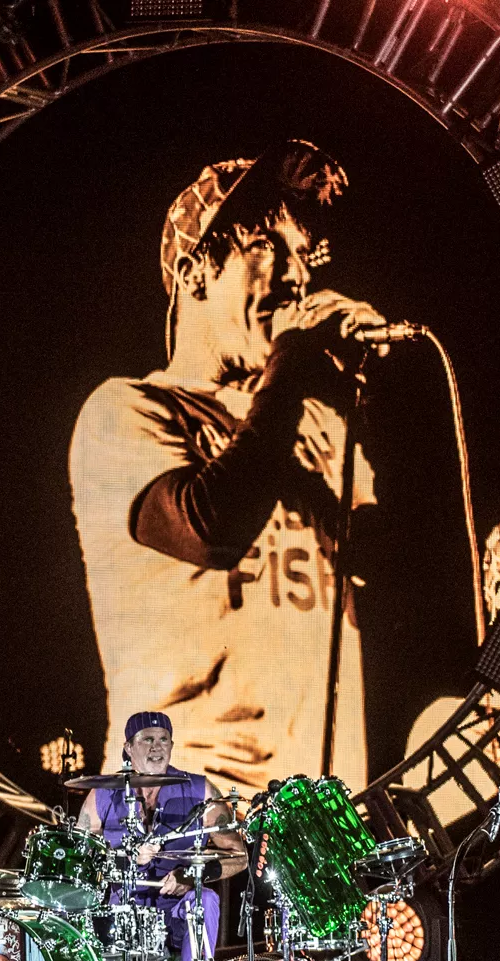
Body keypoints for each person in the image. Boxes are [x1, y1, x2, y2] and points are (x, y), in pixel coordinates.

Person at [69, 140, 390, 790]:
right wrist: (292, 361)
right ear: (195, 274)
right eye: (268, 248)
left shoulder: (312, 423)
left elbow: (383, 583)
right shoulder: (127, 410)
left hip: (319, 820)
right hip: (180, 807)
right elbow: (209, 527)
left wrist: (360, 393)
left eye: (302, 255)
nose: (297, 278)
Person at [76, 709, 246, 961]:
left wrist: (189, 876)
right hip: (124, 911)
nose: (157, 747)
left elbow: (238, 856)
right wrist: (127, 859)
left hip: (177, 912)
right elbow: (80, 857)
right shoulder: (103, 793)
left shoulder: (200, 790)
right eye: (147, 739)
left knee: (206, 900)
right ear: (128, 747)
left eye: (163, 739)